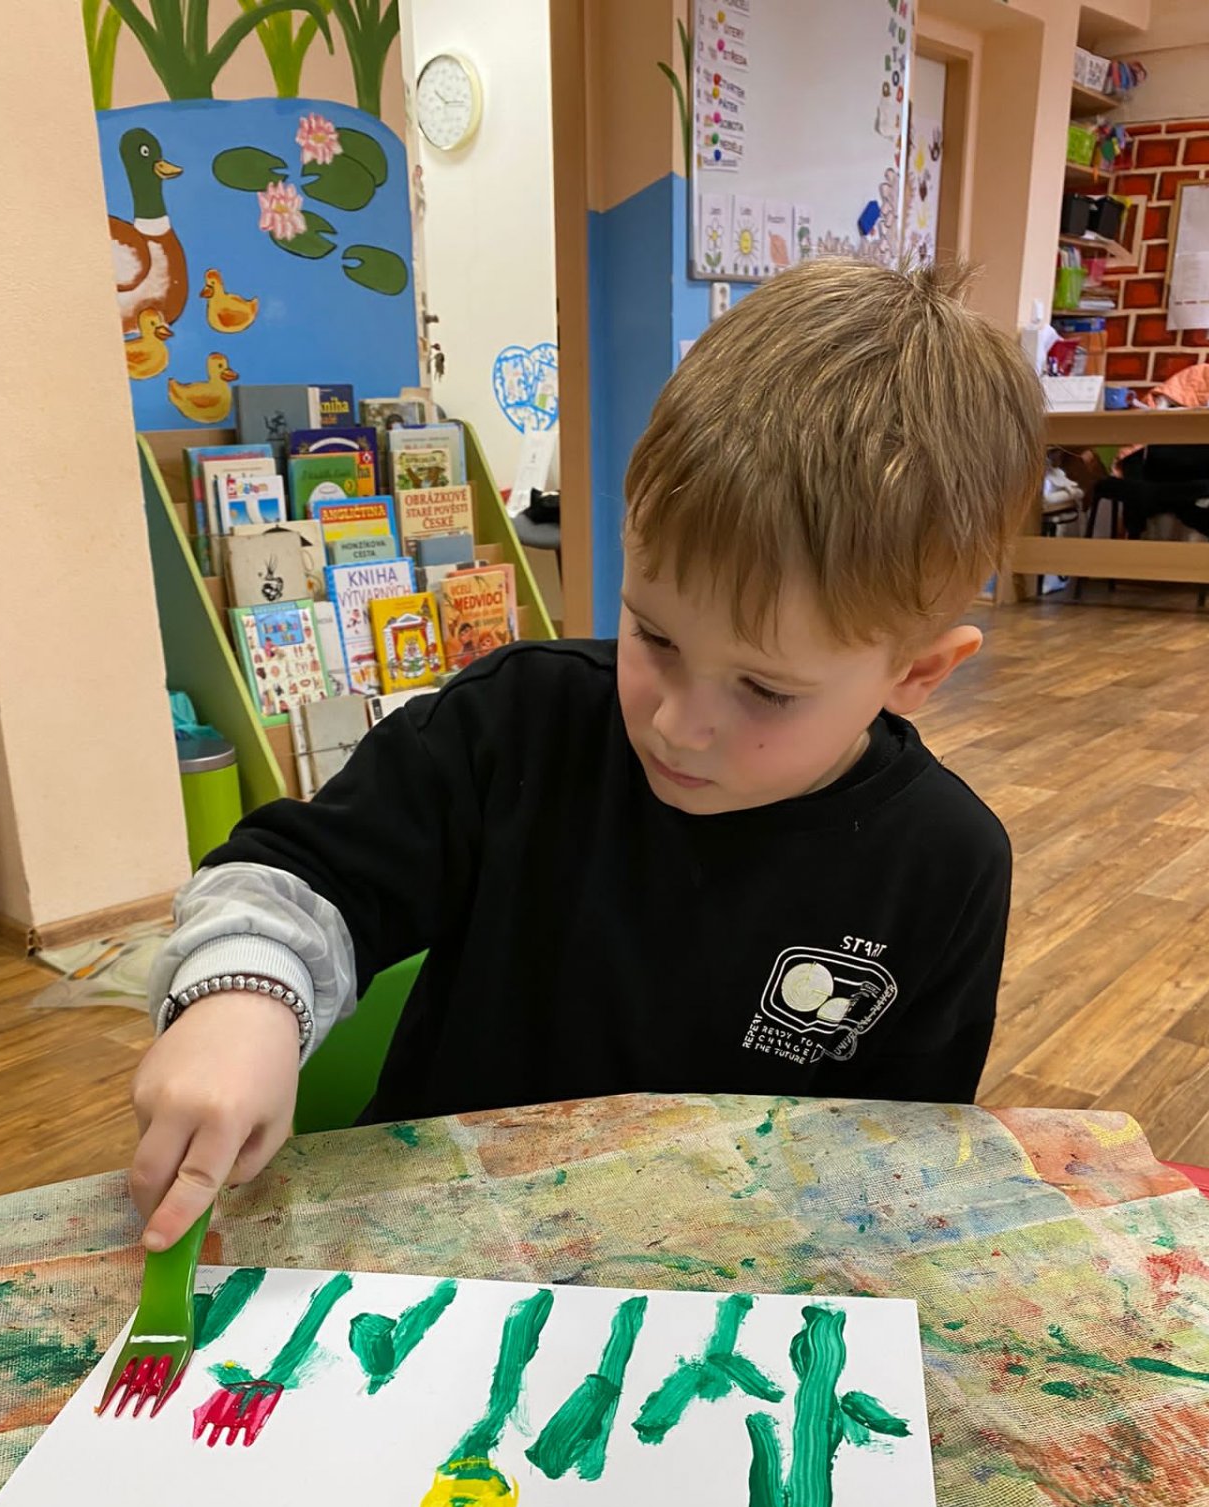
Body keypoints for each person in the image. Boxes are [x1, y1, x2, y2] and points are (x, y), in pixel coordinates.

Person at [132, 257, 1043, 1251]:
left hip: (725, 1285)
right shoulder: (516, 724)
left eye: (766, 690)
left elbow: (898, 1167)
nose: (677, 724)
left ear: (917, 673)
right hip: (432, 1258)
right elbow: (296, 875)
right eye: (655, 636)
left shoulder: (943, 866)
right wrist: (243, 997)